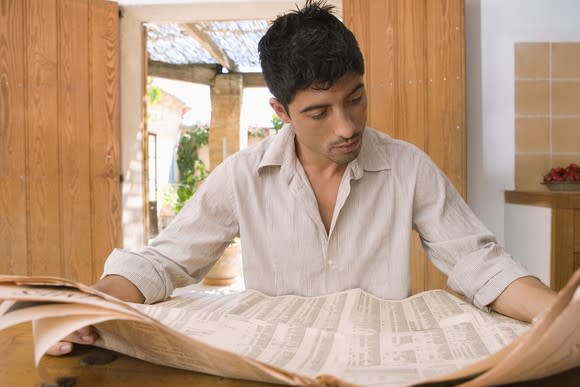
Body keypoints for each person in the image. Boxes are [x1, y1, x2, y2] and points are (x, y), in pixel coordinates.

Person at [48, 0, 555, 356]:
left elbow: (478, 262)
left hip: (377, 366)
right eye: (319, 112)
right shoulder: (243, 176)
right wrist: (89, 305)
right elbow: (162, 263)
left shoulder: (408, 166)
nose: (347, 126)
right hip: (277, 369)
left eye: (355, 98)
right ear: (281, 111)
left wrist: (558, 315)